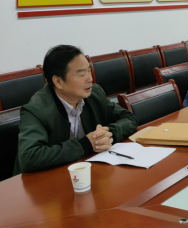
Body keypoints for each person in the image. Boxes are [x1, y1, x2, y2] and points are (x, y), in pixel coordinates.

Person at [15, 45, 138, 174]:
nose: (90, 79)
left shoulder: (95, 94)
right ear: (58, 82)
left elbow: (129, 118)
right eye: (81, 74)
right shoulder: (36, 110)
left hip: (89, 171)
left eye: (89, 71)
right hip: (47, 179)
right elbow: (29, 157)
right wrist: (85, 145)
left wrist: (107, 135)